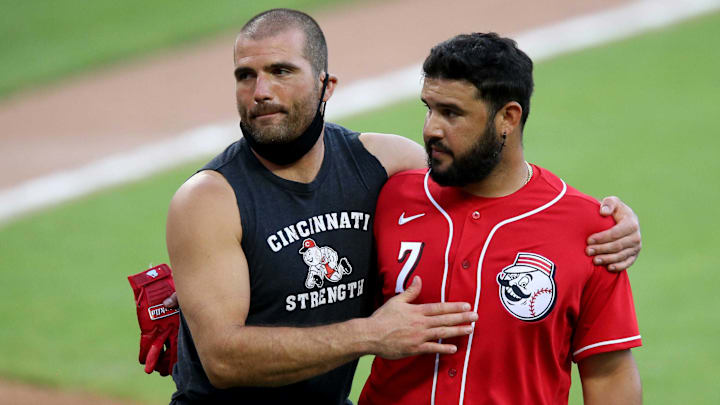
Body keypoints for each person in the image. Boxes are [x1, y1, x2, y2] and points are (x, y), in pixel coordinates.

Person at [161, 8, 641, 404]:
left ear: (326, 86)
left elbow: (494, 177)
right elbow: (223, 359)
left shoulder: (386, 168)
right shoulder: (209, 197)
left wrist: (604, 223)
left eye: (281, 71)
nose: (260, 92)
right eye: (246, 76)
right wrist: (371, 335)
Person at [359, 33, 642, 405]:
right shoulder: (391, 196)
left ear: (508, 117)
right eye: (429, 108)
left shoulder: (591, 230)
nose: (431, 128)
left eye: (451, 113)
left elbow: (610, 375)